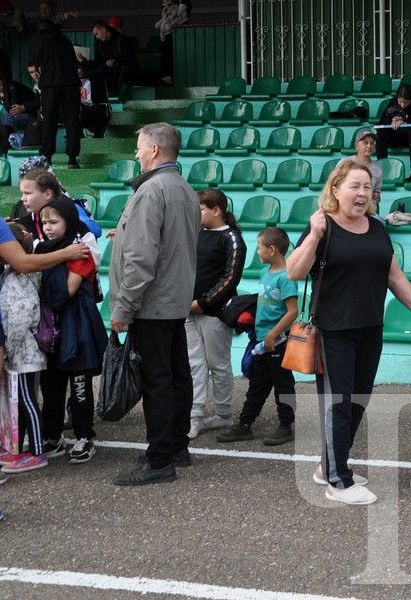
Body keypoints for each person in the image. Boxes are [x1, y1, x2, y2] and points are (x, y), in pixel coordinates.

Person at [286, 161, 411, 506]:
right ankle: (338, 480)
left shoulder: (376, 227)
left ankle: (328, 465)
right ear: (336, 189)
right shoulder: (323, 225)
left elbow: (395, 276)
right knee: (338, 403)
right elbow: (295, 272)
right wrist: (313, 235)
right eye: (354, 186)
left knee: (357, 400)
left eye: (367, 187)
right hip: (333, 330)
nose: (362, 193)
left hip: (370, 327)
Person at [108, 123, 200, 486]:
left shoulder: (152, 191)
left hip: (152, 303)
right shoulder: (184, 188)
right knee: (177, 374)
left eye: (139, 147)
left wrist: (124, 308)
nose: (135, 153)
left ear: (155, 150)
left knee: (157, 380)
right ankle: (176, 446)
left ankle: (160, 459)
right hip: (174, 300)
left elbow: (142, 258)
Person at [35, 199, 107, 465]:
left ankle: (84, 435)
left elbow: (65, 292)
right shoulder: (42, 249)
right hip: (50, 328)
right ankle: (52, 435)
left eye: (54, 222)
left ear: (69, 221)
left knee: (79, 384)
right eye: (44, 222)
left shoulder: (81, 251)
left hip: (76, 327)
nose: (49, 228)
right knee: (50, 383)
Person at [217, 227, 297, 446]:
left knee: (283, 384)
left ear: (272, 249)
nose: (258, 252)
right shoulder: (265, 273)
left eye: (260, 248)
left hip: (277, 342)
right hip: (262, 340)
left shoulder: (286, 277)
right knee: (257, 385)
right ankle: (245, 424)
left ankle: (285, 426)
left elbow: (292, 311)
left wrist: (273, 335)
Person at [186, 189, 246, 439]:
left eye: (200, 209)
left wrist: (204, 302)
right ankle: (195, 415)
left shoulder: (231, 238)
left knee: (218, 364)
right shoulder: (195, 234)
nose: (196, 213)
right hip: (186, 311)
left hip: (214, 312)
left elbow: (231, 277)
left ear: (216, 210)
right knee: (194, 363)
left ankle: (223, 413)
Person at [0, 222, 48, 474]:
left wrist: (6, 347)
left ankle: (38, 452)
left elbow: (18, 318)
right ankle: (23, 445)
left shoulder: (15, 280)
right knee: (21, 401)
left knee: (28, 400)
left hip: (23, 353)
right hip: (21, 352)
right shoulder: (14, 275)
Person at [30, 17, 81, 168]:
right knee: (72, 121)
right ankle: (72, 159)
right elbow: (73, 61)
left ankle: (47, 157)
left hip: (50, 84)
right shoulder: (65, 40)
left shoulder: (39, 40)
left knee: (49, 122)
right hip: (70, 84)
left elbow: (35, 62)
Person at [375, 83, 411, 180]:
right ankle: (382, 169)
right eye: (400, 101)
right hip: (397, 138)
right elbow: (381, 122)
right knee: (381, 133)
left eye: (406, 102)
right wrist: (391, 121)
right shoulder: (393, 102)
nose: (402, 105)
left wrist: (405, 120)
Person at [85, 20, 139, 98]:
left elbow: (130, 59)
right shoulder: (100, 44)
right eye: (95, 35)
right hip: (110, 70)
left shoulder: (121, 39)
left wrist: (115, 61)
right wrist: (84, 61)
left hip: (124, 68)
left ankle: (115, 93)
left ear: (103, 29)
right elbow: (98, 61)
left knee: (117, 67)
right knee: (95, 69)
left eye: (97, 34)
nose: (97, 37)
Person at [339, 129, 382, 213]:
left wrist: (376, 195)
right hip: (347, 209)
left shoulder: (378, 168)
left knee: (381, 223)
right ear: (356, 146)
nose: (369, 146)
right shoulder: (345, 162)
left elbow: (377, 194)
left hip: (368, 211)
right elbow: (335, 185)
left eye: (372, 143)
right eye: (365, 143)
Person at [155, 0, 189, 83]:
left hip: (176, 35)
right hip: (167, 36)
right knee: (163, 50)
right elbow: (160, 24)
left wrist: (169, 23)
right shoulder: (165, 12)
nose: (164, 3)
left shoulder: (178, 10)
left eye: (165, 1)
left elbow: (179, 21)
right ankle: (167, 76)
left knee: (168, 51)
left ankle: (170, 76)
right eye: (163, 2)